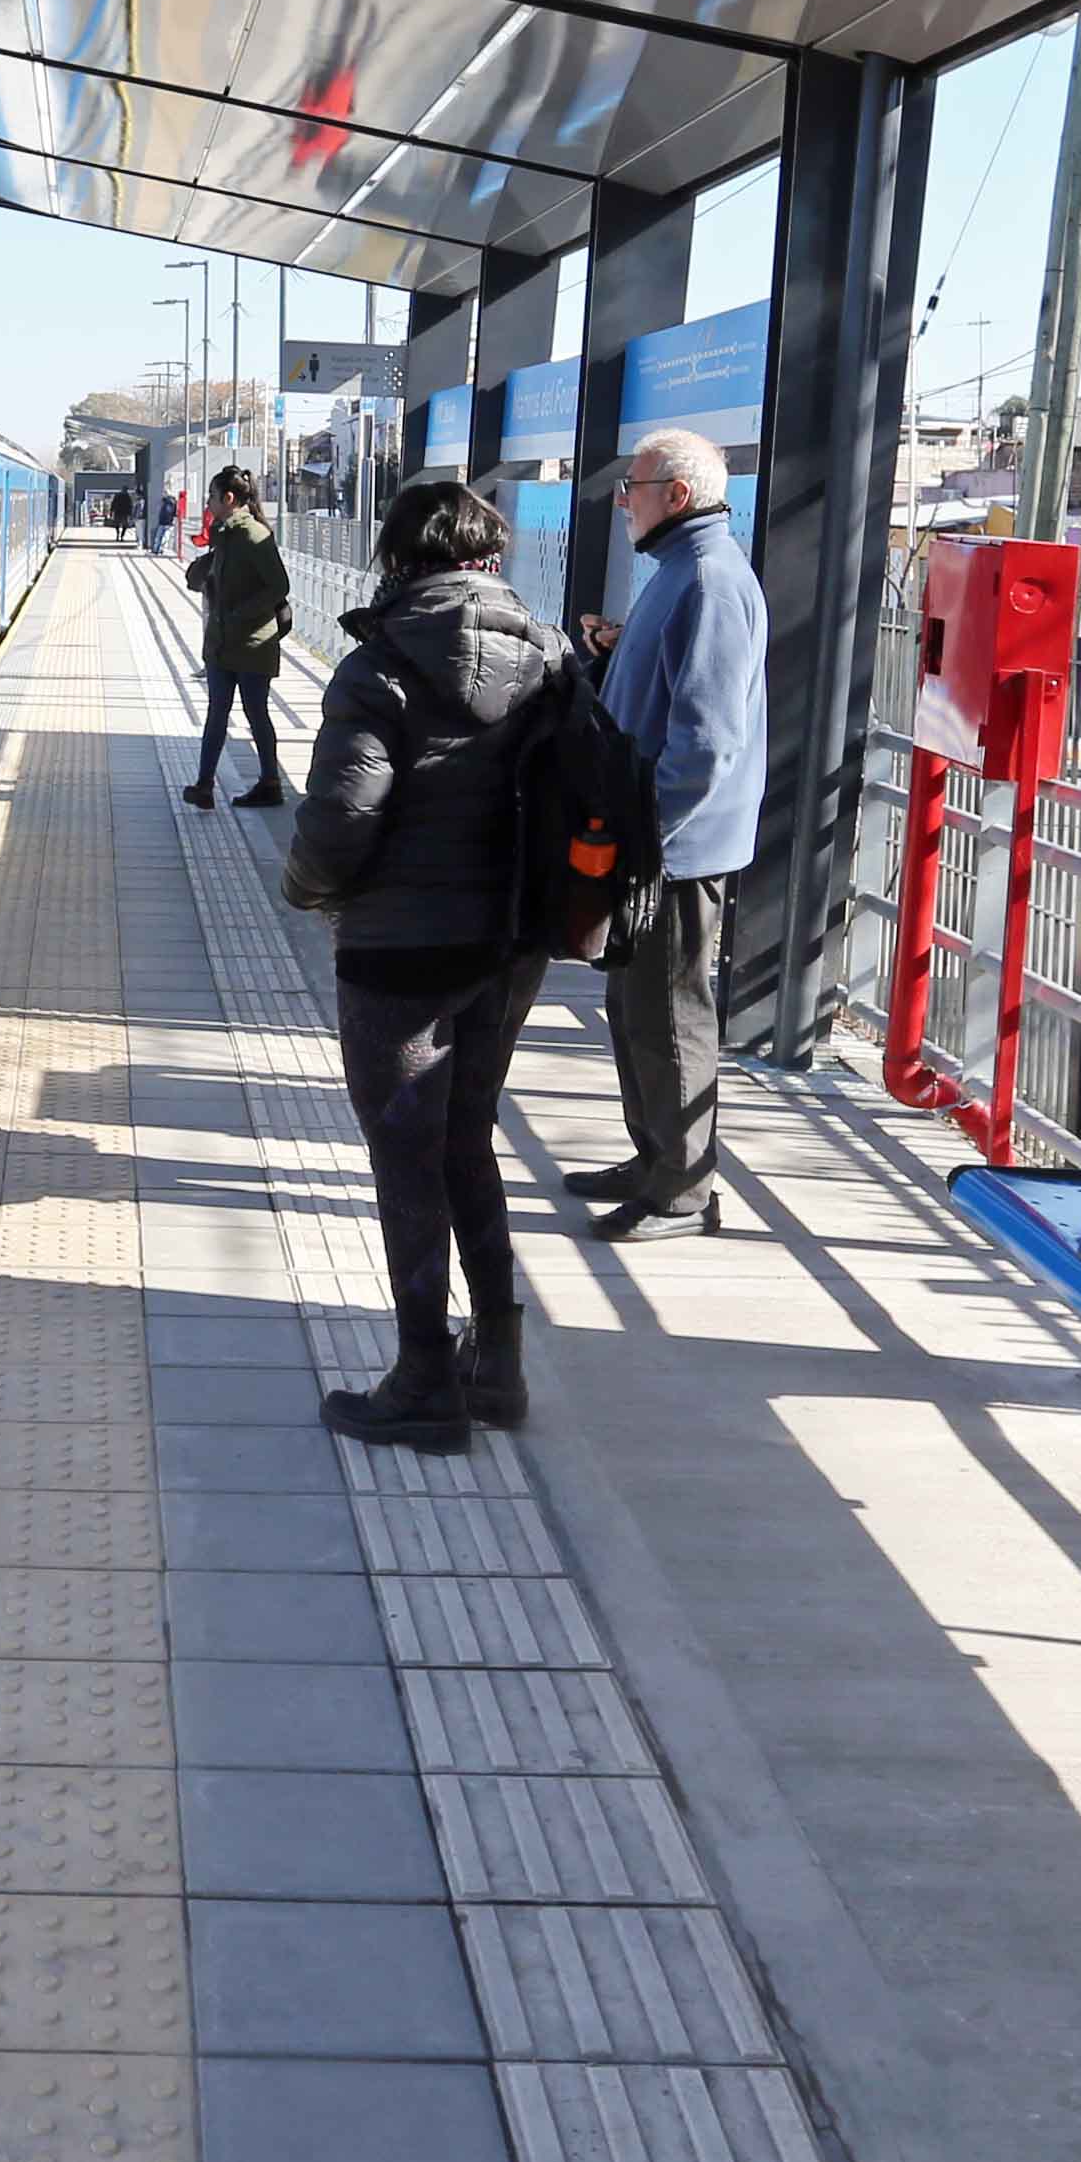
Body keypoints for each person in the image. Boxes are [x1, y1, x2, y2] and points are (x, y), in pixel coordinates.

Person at [276, 475, 559, 1446]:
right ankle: (500, 1364)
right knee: (465, 1137)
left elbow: (344, 816)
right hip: (509, 943)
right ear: (490, 560)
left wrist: (311, 893)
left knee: (405, 1158)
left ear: (397, 559)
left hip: (401, 947)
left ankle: (424, 1381)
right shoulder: (551, 657)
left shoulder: (380, 664)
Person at [568, 425, 767, 1238]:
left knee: (670, 1011)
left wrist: (648, 830)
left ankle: (683, 1188)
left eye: (634, 489)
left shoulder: (711, 581)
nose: (623, 504)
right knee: (633, 1004)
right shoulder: (682, 569)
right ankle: (655, 1153)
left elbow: (709, 739)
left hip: (675, 846)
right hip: (656, 835)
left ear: (676, 497)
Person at [178, 465, 289, 807]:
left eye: (211, 497)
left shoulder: (254, 535)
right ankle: (204, 785)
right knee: (217, 713)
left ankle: (270, 783)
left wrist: (242, 616)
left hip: (253, 645)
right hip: (222, 643)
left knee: (256, 712)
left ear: (228, 498)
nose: (207, 504)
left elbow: (279, 585)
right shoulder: (224, 534)